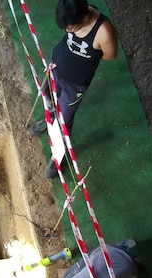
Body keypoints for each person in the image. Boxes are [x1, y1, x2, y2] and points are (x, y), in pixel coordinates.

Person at [28, 0, 118, 179]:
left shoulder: (103, 31)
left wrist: (83, 59)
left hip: (75, 85)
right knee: (47, 96)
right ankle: (49, 120)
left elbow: (110, 55)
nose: (68, 31)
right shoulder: (72, 9)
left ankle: (58, 156)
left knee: (64, 120)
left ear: (84, 18)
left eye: (71, 28)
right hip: (55, 67)